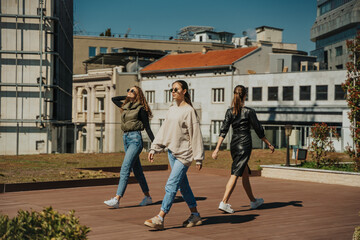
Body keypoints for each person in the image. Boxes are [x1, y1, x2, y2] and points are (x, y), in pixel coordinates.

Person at [144, 80, 204, 230]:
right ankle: (195, 215)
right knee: (183, 186)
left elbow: (195, 134)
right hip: (172, 152)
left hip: (184, 154)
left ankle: (160, 217)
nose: (173, 92)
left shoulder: (189, 111)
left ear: (184, 91)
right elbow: (164, 130)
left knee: (171, 185)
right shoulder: (172, 109)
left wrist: (198, 157)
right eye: (172, 90)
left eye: (176, 89)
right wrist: (154, 148)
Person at [212, 85, 275, 213]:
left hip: (234, 145)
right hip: (245, 143)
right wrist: (268, 143)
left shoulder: (230, 111)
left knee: (244, 173)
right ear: (245, 95)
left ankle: (253, 201)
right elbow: (258, 129)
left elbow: (223, 131)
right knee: (235, 173)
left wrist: (217, 148)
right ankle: (224, 202)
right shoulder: (249, 112)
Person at [104, 86, 155, 209]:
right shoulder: (126, 107)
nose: (129, 92)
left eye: (132, 91)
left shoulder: (141, 109)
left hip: (135, 140)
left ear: (138, 95)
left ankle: (117, 199)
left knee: (125, 168)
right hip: (126, 139)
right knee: (137, 171)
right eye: (128, 90)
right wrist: (128, 97)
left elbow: (147, 128)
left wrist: (154, 145)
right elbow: (113, 99)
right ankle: (148, 197)